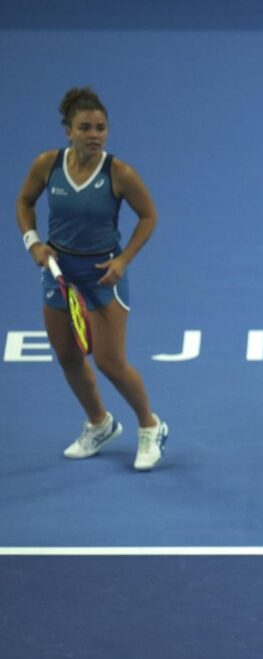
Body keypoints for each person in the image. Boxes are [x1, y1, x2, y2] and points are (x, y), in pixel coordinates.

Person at [15, 86, 169, 471]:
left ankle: (151, 426)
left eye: (100, 127)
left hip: (103, 275)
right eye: (85, 127)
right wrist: (33, 243)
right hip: (58, 273)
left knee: (110, 362)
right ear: (68, 130)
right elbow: (24, 203)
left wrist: (124, 261)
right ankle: (99, 424)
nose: (94, 134)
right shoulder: (46, 165)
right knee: (67, 356)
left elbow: (149, 216)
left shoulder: (120, 173)